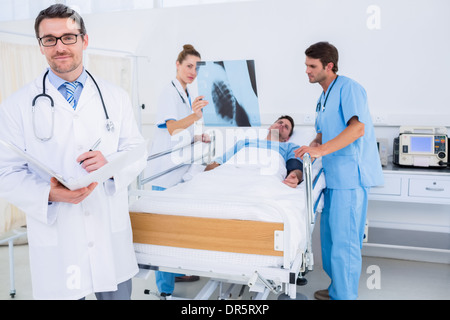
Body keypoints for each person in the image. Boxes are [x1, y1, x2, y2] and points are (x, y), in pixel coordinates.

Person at [0, 4, 147, 300]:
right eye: (49, 39)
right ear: (40, 46)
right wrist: (50, 194)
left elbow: (136, 151)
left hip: (109, 233)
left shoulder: (115, 97)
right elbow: (6, 172)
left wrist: (110, 164)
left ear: (84, 40)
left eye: (68, 37)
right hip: (59, 239)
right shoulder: (16, 106)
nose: (59, 46)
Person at [295, 42, 384, 300]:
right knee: (331, 241)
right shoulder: (322, 97)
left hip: (350, 178)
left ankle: (344, 296)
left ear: (329, 66)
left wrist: (320, 151)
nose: (307, 71)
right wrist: (311, 147)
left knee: (345, 244)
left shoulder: (350, 88)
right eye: (306, 66)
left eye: (312, 66)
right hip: (332, 179)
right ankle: (337, 289)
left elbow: (357, 129)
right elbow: (323, 133)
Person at [148, 44, 209, 297]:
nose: (192, 71)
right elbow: (172, 129)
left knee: (175, 228)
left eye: (196, 67)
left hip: (177, 170)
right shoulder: (168, 92)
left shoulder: (184, 93)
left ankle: (175, 272)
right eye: (188, 66)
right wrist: (195, 117)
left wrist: (197, 138)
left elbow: (179, 133)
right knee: (164, 233)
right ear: (178, 64)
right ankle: (165, 290)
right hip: (163, 172)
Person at [206, 115, 303, 187]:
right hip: (230, 175)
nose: (282, 125)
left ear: (287, 138)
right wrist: (206, 175)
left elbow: (295, 168)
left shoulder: (289, 147)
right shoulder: (245, 142)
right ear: (270, 127)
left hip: (264, 179)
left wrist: (294, 176)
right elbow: (220, 161)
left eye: (286, 127)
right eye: (280, 122)